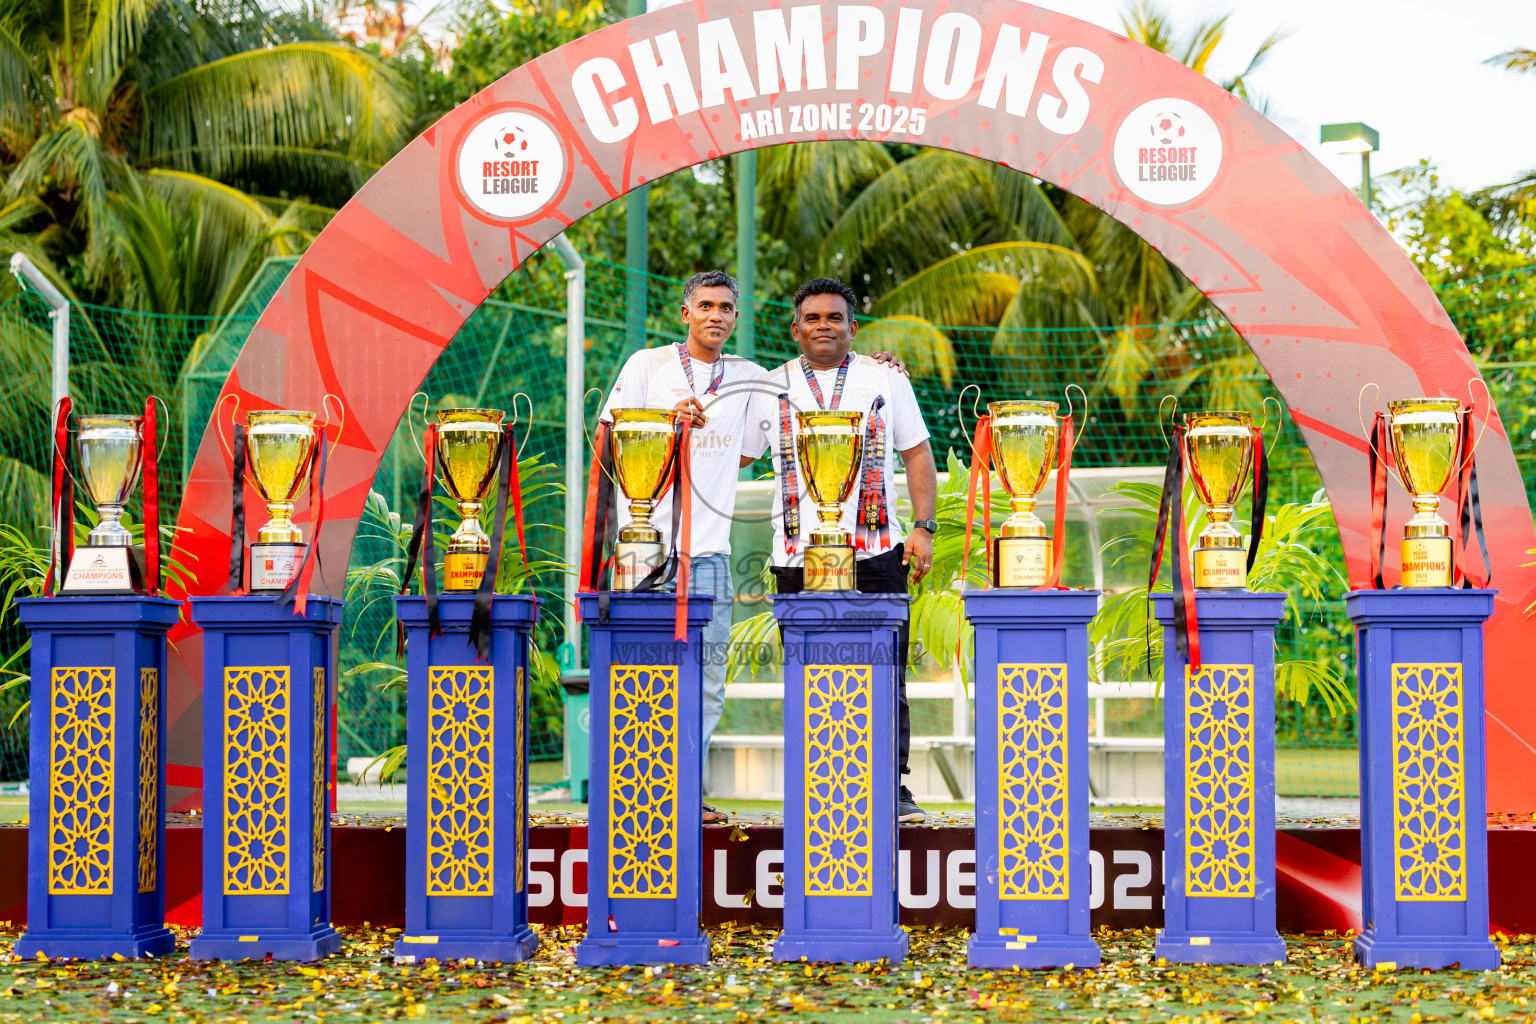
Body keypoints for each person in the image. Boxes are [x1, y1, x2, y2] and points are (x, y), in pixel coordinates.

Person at [762, 277, 940, 824]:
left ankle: (893, 787)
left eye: (834, 317)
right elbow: (740, 452)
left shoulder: (884, 378)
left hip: (877, 548)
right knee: (809, 671)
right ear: (795, 328)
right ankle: (819, 786)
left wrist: (924, 528)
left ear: (851, 327)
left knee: (887, 673)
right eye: (812, 318)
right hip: (797, 554)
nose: (823, 326)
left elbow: (917, 455)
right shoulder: (770, 386)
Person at [599, 270, 771, 824]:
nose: (716, 316)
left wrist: (878, 367)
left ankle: (681, 797)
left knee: (708, 681)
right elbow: (610, 442)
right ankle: (631, 797)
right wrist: (670, 430)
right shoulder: (646, 366)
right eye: (705, 306)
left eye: (726, 307)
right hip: (641, 550)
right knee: (636, 676)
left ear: (737, 317)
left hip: (711, 554)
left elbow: (746, 454)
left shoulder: (749, 376)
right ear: (685, 313)